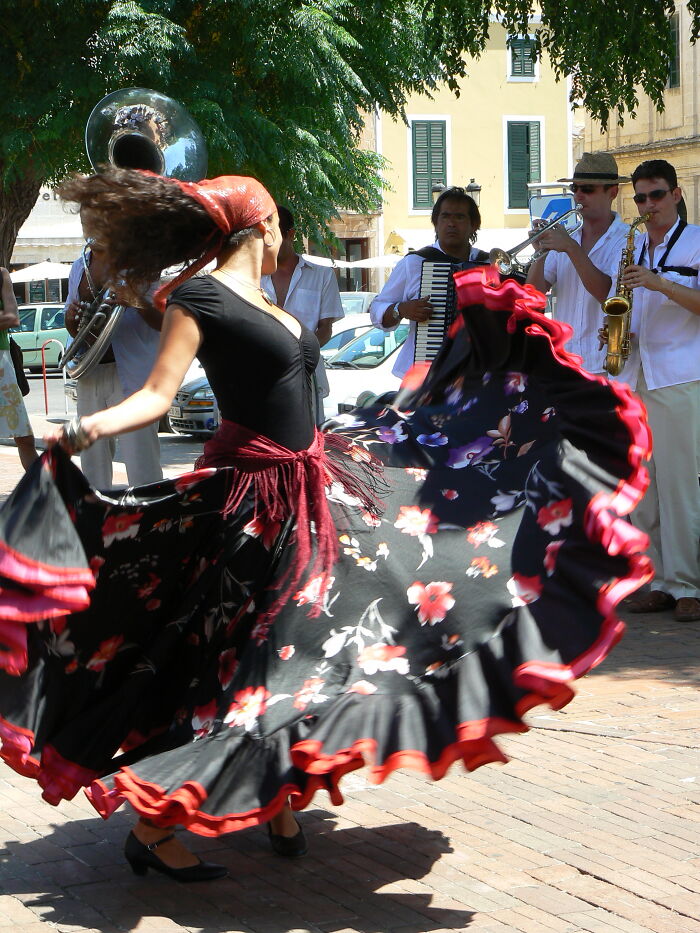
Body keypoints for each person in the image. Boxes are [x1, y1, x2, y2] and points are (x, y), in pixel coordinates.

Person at [0, 169, 651, 887]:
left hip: (318, 489)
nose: (286, 236)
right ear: (264, 225)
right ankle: (158, 823)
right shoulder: (196, 297)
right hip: (255, 507)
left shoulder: (272, 303)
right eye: (281, 222)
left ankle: (275, 798)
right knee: (277, 661)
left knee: (317, 649)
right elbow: (157, 394)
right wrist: (87, 428)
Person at [611, 159, 700, 622]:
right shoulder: (635, 248)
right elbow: (615, 306)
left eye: (657, 195)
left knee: (682, 485)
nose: (648, 206)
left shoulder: (698, 240)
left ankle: (689, 585)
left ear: (677, 194)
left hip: (680, 376)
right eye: (641, 198)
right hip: (636, 374)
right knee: (643, 487)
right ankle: (656, 580)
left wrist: (660, 284)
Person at [62, 215, 163, 488]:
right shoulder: (78, 267)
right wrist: (72, 319)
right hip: (90, 373)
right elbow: (77, 329)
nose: (88, 225)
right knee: (92, 463)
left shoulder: (142, 265)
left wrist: (137, 301)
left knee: (141, 462)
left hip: (131, 374)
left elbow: (165, 321)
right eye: (85, 218)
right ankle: (97, 524)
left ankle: (151, 525)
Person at [526, 152, 630, 376]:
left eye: (588, 189)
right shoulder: (566, 235)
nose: (579, 196)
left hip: (604, 366)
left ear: (613, 192)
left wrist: (572, 249)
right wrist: (540, 253)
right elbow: (533, 298)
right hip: (563, 361)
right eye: (575, 189)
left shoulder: (628, 240)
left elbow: (608, 297)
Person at [370, 186, 489, 380]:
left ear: (473, 225)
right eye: (445, 216)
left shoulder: (488, 264)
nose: (451, 223)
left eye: (459, 217)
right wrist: (401, 309)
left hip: (477, 377)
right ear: (435, 222)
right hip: (424, 378)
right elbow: (376, 309)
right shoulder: (414, 262)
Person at [261, 205, 344, 424]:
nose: (267, 243)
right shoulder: (252, 278)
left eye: (272, 235)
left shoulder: (322, 275)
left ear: (290, 234)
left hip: (307, 373)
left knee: (307, 442)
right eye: (262, 236)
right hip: (262, 374)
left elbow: (326, 328)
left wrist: (297, 357)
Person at [0, 269, 38, 471]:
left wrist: (6, 316)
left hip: (2, 366)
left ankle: (42, 492)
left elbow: (12, 317)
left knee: (24, 437)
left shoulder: (1, 274)